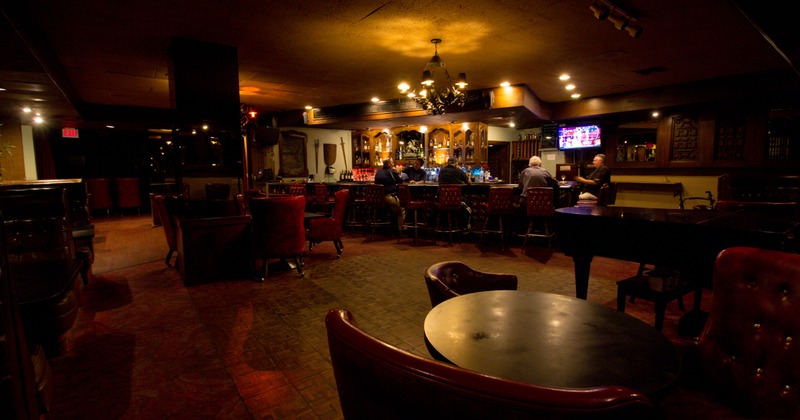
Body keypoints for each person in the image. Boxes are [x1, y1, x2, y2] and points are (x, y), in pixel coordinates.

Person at [437, 157, 472, 230]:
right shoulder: (458, 170)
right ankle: (464, 227)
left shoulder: (442, 170)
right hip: (455, 199)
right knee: (469, 203)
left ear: (447, 163)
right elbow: (469, 183)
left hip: (441, 198)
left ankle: (444, 226)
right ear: (456, 163)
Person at [374, 157, 406, 231]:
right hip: (389, 198)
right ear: (388, 164)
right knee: (402, 209)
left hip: (378, 199)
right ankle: (401, 229)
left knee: (392, 209)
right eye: (392, 163)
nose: (393, 164)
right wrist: (398, 172)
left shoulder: (378, 172)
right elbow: (400, 181)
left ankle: (388, 227)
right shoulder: (392, 172)